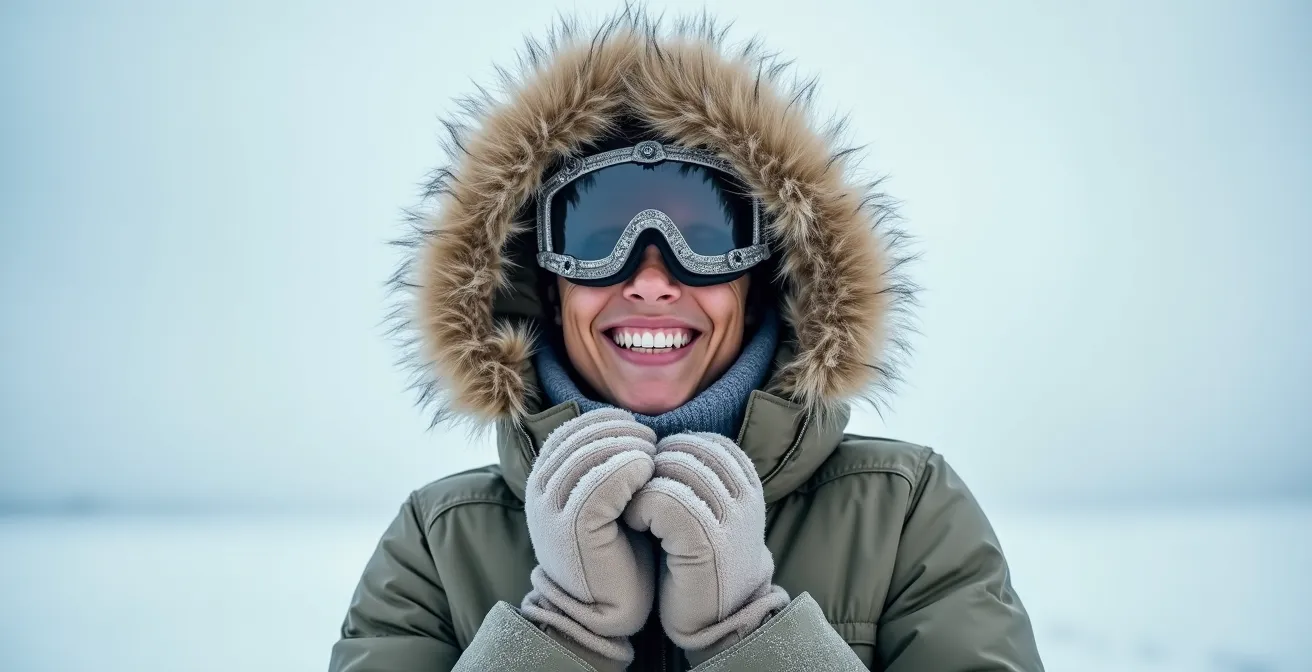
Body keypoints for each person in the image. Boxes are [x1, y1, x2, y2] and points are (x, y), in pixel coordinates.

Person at [329, 10, 1043, 672]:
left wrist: (755, 633)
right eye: (596, 238)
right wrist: (559, 635)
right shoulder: (438, 541)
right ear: (543, 281)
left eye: (706, 239)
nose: (650, 279)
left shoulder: (902, 513)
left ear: (760, 278)